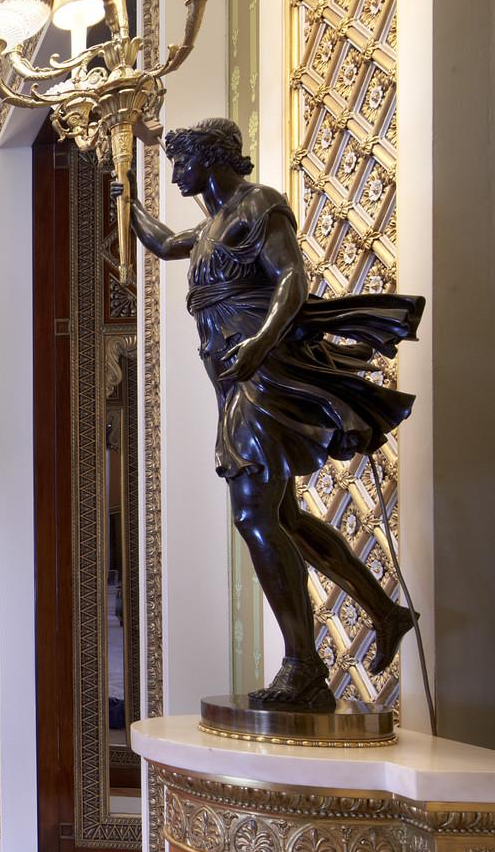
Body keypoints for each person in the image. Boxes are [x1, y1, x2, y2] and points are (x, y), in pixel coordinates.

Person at [119, 117, 422, 710]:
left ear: (210, 158)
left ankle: (304, 667)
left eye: (182, 161)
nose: (176, 172)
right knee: (287, 518)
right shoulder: (209, 228)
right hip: (234, 385)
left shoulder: (259, 207)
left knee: (255, 516)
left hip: (263, 375)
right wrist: (121, 178)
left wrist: (257, 344)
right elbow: (158, 241)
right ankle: (386, 613)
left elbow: (292, 279)